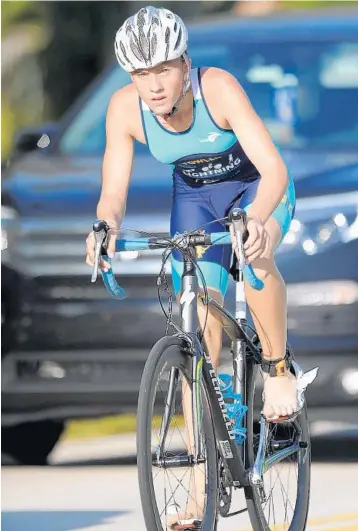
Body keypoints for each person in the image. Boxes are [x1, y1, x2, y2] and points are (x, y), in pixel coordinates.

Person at [85, 6, 300, 528]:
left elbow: (274, 169)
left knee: (255, 253)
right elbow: (113, 192)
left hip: (256, 190)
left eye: (162, 70)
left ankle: (275, 370)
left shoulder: (218, 89)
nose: (153, 85)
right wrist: (104, 229)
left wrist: (254, 220)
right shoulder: (123, 110)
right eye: (141, 74)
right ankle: (203, 487)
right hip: (195, 198)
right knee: (198, 337)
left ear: (184, 63)